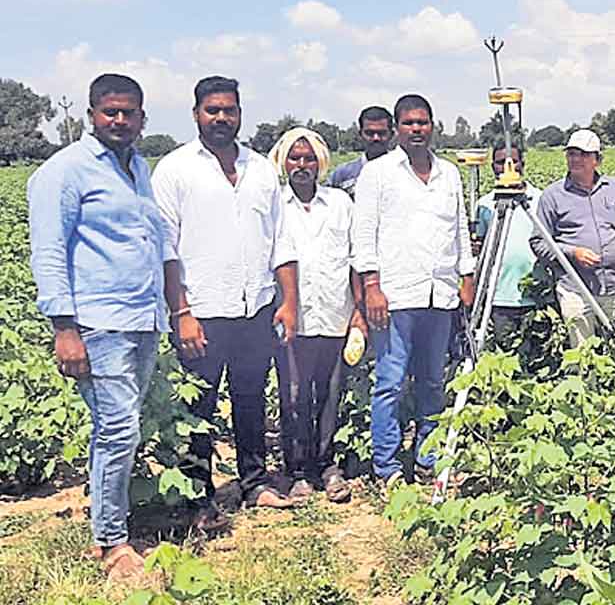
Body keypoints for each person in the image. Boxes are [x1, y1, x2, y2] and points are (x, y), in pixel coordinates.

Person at [27, 74, 168, 579]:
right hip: (96, 322)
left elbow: (150, 238)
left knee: (121, 428)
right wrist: (65, 329)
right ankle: (111, 543)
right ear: (91, 114)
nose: (120, 121)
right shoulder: (63, 172)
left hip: (142, 318)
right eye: (110, 112)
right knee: (118, 428)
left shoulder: (138, 166)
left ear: (142, 116)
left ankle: (112, 525)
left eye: (130, 112)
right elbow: (47, 252)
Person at [153, 76, 300, 528]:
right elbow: (165, 250)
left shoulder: (260, 169)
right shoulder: (175, 170)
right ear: (196, 113)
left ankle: (254, 482)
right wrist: (182, 313)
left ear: (240, 114)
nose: (221, 118)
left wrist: (288, 301)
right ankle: (200, 497)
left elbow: (281, 241)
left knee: (251, 398)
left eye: (229, 110)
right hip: (201, 313)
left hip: (254, 308)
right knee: (200, 408)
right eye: (212, 110)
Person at [353, 94, 476, 488]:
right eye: (408, 123)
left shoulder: (449, 174)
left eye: (423, 122)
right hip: (395, 294)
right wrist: (371, 286)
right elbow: (364, 234)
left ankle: (428, 458)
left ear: (433, 126)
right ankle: (385, 467)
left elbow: (459, 228)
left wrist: (466, 276)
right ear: (396, 128)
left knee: (433, 381)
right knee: (389, 381)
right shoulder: (379, 174)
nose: (417, 129)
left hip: (439, 294)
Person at [267, 127, 366, 503]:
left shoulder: (340, 203)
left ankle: (326, 466)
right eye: (295, 158)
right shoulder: (275, 206)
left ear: (320, 163)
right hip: (292, 318)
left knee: (329, 392)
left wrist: (357, 310)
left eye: (309, 159)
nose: (302, 165)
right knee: (293, 395)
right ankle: (297, 471)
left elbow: (357, 259)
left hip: (335, 314)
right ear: (284, 162)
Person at [531, 129, 615, 348]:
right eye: (571, 153)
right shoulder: (553, 196)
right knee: (584, 355)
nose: (576, 159)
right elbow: (538, 242)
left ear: (597, 160)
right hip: (575, 289)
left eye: (583, 154)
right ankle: (588, 383)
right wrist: (572, 253)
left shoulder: (614, 189)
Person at [474, 143, 543, 344]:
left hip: (536, 295)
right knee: (504, 350)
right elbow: (480, 246)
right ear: (492, 166)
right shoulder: (485, 205)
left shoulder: (541, 200)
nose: (507, 167)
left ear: (523, 163)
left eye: (513, 162)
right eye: (500, 162)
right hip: (500, 296)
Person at [328, 105, 394, 198]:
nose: (376, 138)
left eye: (381, 133)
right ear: (360, 135)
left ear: (391, 134)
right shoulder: (342, 174)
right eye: (369, 133)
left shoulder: (404, 173)